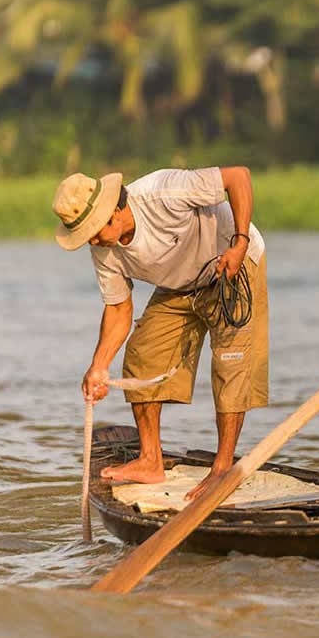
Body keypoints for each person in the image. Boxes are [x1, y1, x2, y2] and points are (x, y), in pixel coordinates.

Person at [51, 166, 269, 501]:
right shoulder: (103, 250)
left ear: (115, 210)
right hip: (179, 282)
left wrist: (239, 243)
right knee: (142, 354)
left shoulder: (164, 192)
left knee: (230, 364)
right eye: (86, 235)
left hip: (231, 265)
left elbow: (238, 177)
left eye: (94, 230)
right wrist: (99, 365)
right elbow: (118, 310)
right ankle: (150, 459)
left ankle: (223, 468)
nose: (93, 241)